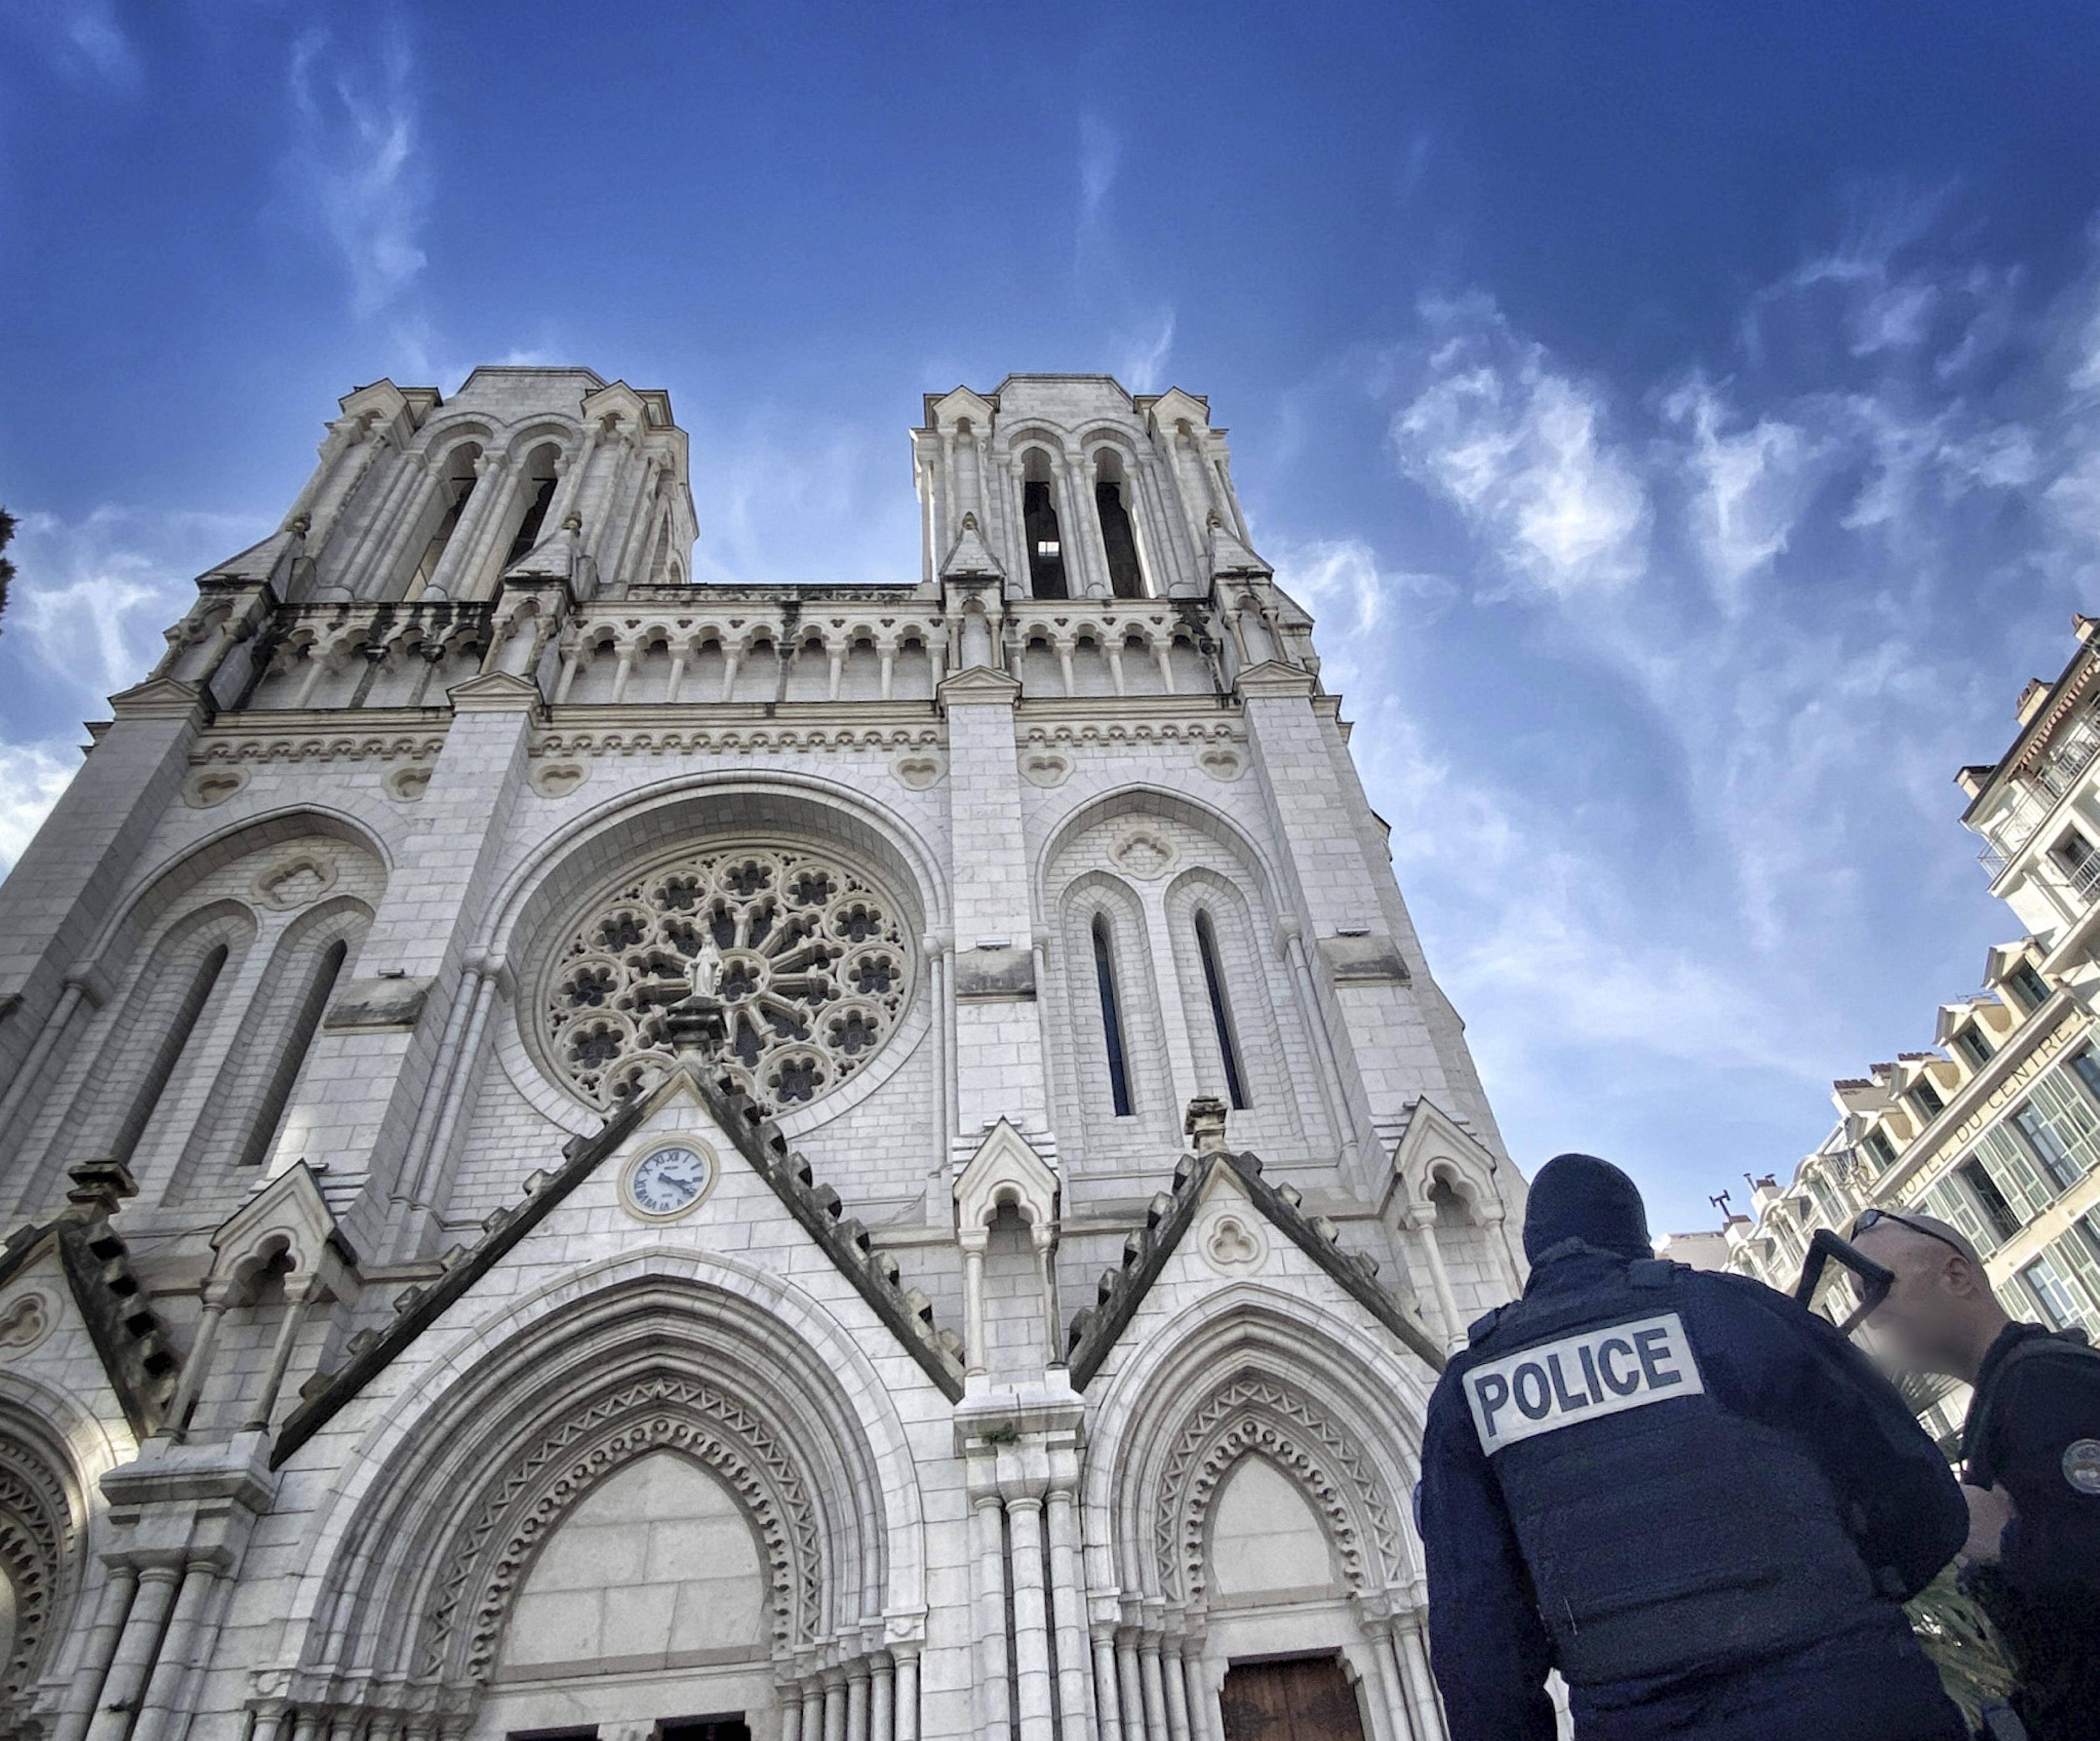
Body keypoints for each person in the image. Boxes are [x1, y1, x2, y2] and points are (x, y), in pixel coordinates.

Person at [1419, 1153, 1968, 1741]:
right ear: (1635, 1234)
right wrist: (1850, 1596)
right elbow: (1921, 1497)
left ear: (1533, 1247)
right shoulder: (1732, 1310)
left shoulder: (1471, 1391)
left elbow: (1480, 1641)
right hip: (1854, 1695)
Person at [1851, 1207, 2100, 1741]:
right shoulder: (2010, 1393)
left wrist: (1999, 1540)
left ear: (1957, 1274)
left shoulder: (2042, 1384)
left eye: (1876, 1287)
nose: (1870, 1317)